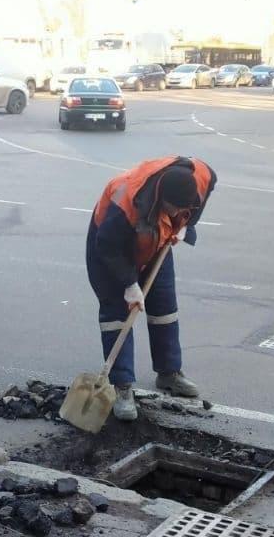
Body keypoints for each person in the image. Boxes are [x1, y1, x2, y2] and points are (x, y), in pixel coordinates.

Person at [86, 156, 216, 421]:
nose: (177, 213)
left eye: (185, 209)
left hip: (157, 240)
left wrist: (186, 225)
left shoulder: (199, 176)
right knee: (117, 316)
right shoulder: (126, 202)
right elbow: (107, 246)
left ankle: (169, 373)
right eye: (174, 209)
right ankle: (122, 386)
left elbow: (209, 182)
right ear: (162, 197)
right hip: (112, 250)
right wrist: (130, 284)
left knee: (164, 308)